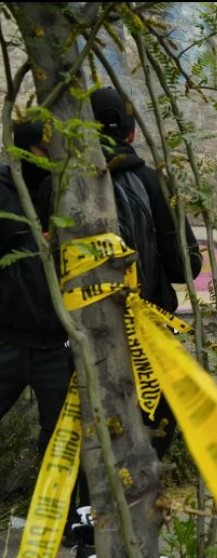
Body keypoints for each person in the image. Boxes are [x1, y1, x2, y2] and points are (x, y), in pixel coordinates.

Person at [57, 87, 204, 558]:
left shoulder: (66, 182)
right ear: (132, 129)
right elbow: (189, 263)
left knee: (86, 431)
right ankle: (124, 548)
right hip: (146, 332)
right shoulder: (149, 181)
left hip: (80, 330)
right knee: (146, 432)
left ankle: (86, 547)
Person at [0, 120, 73, 464]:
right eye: (44, 152)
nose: (50, 160)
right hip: (8, 339)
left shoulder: (64, 192)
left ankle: (51, 515)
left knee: (60, 441)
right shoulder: (3, 188)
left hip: (55, 346)